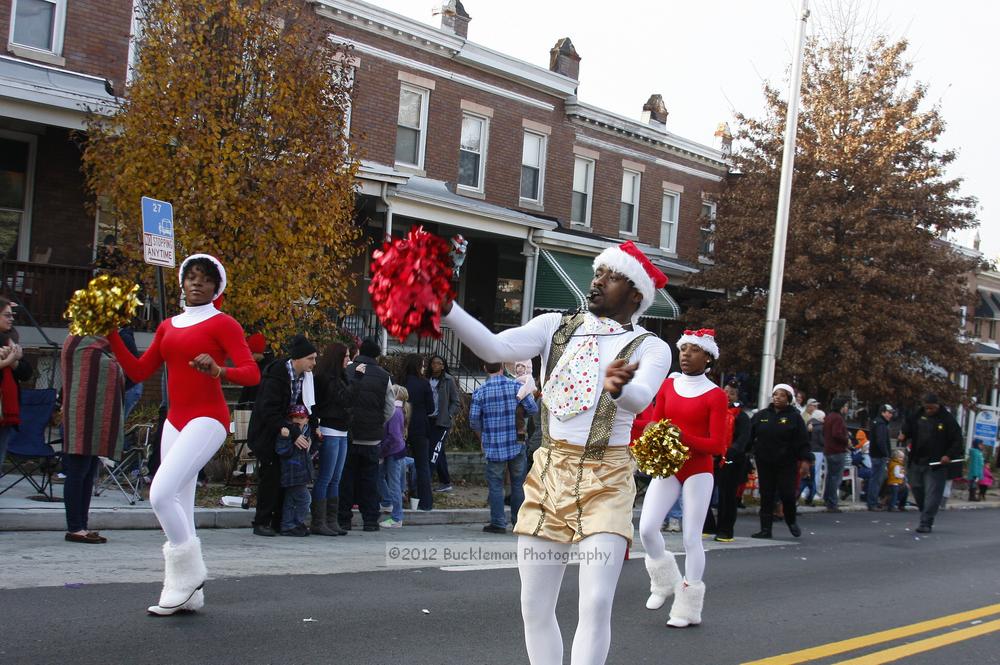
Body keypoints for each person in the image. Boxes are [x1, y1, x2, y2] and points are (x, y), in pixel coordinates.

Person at [439, 240, 670, 665]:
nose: (597, 281)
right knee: (534, 607)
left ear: (635, 294)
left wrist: (619, 387)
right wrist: (447, 308)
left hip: (607, 478)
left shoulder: (650, 347)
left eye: (610, 276)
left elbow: (640, 398)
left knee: (596, 603)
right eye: (597, 273)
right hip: (549, 474)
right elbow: (494, 349)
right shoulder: (553, 326)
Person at [108, 254, 260, 615]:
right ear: (182, 282)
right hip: (174, 422)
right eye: (191, 277)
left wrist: (219, 370)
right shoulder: (167, 325)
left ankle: (190, 576)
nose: (196, 283)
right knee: (181, 505)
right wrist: (111, 333)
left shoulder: (224, 324)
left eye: (205, 279)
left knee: (159, 494)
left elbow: (252, 373)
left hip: (207, 419)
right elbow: (139, 371)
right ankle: (189, 594)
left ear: (215, 287)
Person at [636, 329, 727, 628]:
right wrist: (648, 432)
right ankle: (664, 581)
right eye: (683, 349)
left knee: (690, 538)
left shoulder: (716, 395)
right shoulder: (667, 385)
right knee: (648, 529)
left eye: (693, 349)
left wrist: (681, 435)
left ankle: (687, 609)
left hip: (698, 470)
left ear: (708, 356)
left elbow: (717, 445)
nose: (685, 354)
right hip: (669, 465)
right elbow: (654, 421)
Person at [247, 334, 317, 537]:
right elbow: (269, 410)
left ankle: (279, 521)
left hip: (286, 432)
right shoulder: (278, 375)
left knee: (284, 478)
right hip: (268, 433)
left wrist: (309, 425)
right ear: (298, 358)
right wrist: (293, 430)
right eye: (310, 358)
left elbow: (307, 404)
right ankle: (261, 521)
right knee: (271, 477)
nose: (314, 362)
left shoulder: (305, 377)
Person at [61, 334, 126, 544]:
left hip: (95, 416)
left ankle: (82, 524)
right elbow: (102, 366)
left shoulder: (100, 343)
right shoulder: (79, 342)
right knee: (78, 471)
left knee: (89, 472)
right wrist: (114, 364)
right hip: (80, 414)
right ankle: (74, 527)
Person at [469, 361, 538, 533]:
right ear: (502, 368)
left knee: (495, 485)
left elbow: (473, 421)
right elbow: (533, 408)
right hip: (517, 441)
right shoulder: (516, 386)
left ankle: (498, 523)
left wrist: (482, 439)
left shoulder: (480, 392)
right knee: (518, 484)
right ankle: (519, 523)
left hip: (493, 444)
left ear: (485, 368)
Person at [338, 337, 394, 532]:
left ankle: (343, 518)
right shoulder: (384, 376)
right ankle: (370, 520)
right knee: (370, 480)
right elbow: (389, 408)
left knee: (346, 477)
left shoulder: (348, 370)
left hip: (349, 433)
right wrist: (378, 422)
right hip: (372, 436)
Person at [746, 384, 811, 539]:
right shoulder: (762, 415)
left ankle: (791, 520)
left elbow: (803, 441)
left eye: (782, 395)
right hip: (765, 461)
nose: (777, 397)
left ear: (788, 398)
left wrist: (806, 460)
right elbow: (749, 435)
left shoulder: (794, 417)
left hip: (786, 462)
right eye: (775, 394)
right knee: (766, 495)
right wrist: (745, 451)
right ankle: (765, 529)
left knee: (787, 494)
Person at [899, 393, 963, 533]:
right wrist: (904, 434)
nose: (929, 411)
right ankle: (925, 510)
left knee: (933, 493)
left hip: (936, 463)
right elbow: (908, 426)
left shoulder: (947, 419)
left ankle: (926, 522)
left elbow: (957, 440)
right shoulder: (918, 415)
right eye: (926, 408)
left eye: (932, 408)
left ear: (937, 406)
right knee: (916, 487)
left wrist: (948, 455)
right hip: (917, 459)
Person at [311, 342, 354, 536]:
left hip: (342, 430)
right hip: (329, 429)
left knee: (336, 478)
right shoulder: (325, 378)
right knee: (326, 477)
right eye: (345, 356)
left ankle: (331, 519)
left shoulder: (342, 377)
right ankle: (319, 521)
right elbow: (339, 399)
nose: (348, 360)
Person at [714, 382, 751, 542]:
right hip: (715, 457)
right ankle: (709, 526)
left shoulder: (741, 416)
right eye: (726, 392)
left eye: (732, 393)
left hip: (733, 460)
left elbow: (743, 440)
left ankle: (725, 529)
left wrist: (729, 453)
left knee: (728, 496)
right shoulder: (717, 412)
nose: (728, 395)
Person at [400, 353, 435, 511]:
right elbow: (431, 408)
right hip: (420, 426)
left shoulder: (399, 381)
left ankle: (396, 498)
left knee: (395, 463)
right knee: (422, 466)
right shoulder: (424, 384)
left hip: (400, 425)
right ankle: (425, 502)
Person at [0, 297, 31, 470]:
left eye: (12, 315)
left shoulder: (11, 341)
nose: (11, 318)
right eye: (6, 315)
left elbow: (27, 373)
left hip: (6, 411)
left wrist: (14, 362)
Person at [276, 405, 317, 536]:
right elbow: (282, 450)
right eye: (294, 417)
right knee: (305, 499)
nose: (298, 420)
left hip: (302, 473)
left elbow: (312, 451)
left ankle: (288, 525)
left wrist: (318, 439)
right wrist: (285, 438)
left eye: (301, 417)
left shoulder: (307, 432)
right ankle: (295, 523)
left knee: (290, 500)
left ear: (307, 420)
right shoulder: (287, 432)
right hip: (292, 473)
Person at [426, 354, 460, 493]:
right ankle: (445, 482)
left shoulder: (448, 380)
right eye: (433, 363)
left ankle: (425, 482)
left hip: (441, 422)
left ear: (443, 365)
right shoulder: (426, 379)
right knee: (439, 451)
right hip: (428, 420)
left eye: (439, 363)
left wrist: (449, 414)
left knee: (433, 452)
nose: (436, 365)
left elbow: (455, 401)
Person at [380, 385, 410, 528]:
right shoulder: (398, 411)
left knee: (394, 485)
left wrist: (382, 451)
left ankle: (397, 517)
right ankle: (387, 502)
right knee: (380, 477)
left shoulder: (394, 412)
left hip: (393, 452)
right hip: (393, 451)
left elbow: (393, 437)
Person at [822, 397, 851, 513]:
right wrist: (846, 440)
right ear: (841, 407)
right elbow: (837, 433)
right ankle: (832, 503)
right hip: (837, 451)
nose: (847, 408)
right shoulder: (838, 418)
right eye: (846, 406)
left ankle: (827, 498)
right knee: (836, 478)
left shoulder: (829, 417)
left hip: (828, 450)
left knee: (830, 476)